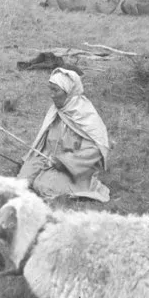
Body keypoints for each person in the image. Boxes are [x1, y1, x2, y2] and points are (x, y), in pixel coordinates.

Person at [18, 68, 110, 204]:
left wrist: (66, 162)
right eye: (51, 90)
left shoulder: (86, 116)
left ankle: (47, 186)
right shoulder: (56, 111)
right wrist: (31, 160)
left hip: (75, 170)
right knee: (21, 181)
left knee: (44, 187)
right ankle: (39, 182)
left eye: (56, 91)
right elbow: (44, 142)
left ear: (69, 93)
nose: (51, 95)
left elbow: (96, 151)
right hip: (49, 159)